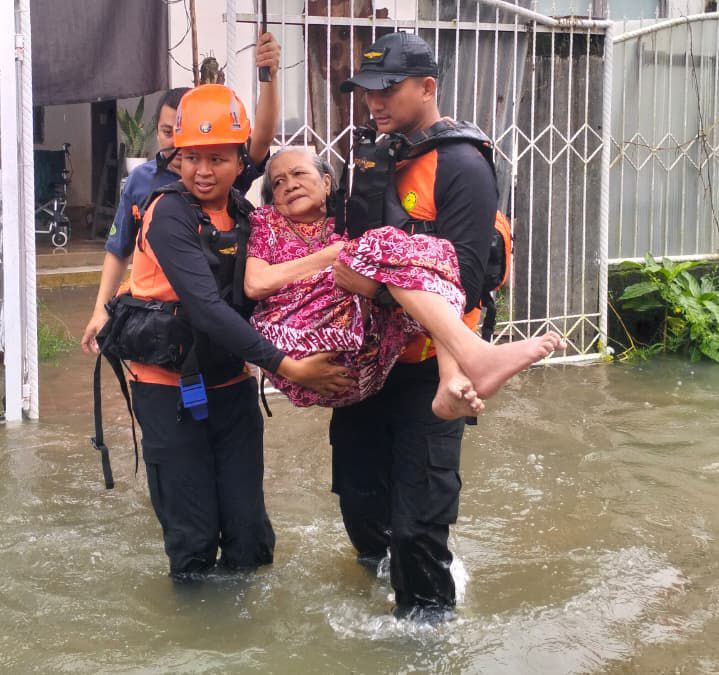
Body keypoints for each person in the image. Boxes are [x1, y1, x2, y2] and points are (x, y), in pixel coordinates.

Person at [95, 84, 350, 578]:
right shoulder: (168, 213)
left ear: (240, 161)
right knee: (192, 543)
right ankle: (198, 642)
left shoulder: (246, 215)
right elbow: (209, 309)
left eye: (217, 159)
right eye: (192, 158)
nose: (203, 171)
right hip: (169, 395)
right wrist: (289, 366)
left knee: (249, 539)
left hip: (231, 391)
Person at [330, 31, 537, 622]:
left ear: (428, 87)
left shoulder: (463, 166)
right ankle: (382, 583)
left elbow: (467, 278)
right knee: (359, 501)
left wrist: (370, 284)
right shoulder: (374, 157)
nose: (374, 101)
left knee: (419, 519)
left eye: (388, 88)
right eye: (367, 89)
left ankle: (427, 629)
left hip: (431, 375)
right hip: (368, 367)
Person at [244, 148, 561, 414]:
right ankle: (473, 355)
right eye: (279, 181)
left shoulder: (350, 217)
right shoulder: (268, 223)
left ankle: (450, 378)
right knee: (376, 246)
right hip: (296, 351)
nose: (289, 185)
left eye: (299, 174)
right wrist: (335, 254)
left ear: (326, 183)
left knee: (430, 257)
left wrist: (362, 273)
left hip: (360, 368)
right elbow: (256, 284)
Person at [81, 33, 281, 356]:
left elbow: (260, 140)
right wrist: (100, 309)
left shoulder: (220, 181)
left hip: (215, 334)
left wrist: (269, 77)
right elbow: (118, 249)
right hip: (161, 332)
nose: (176, 145)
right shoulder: (143, 182)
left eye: (214, 157)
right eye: (167, 132)